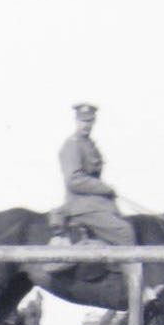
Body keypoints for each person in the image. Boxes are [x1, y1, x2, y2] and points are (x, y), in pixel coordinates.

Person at [58, 102, 134, 247]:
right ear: (76, 120)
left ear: (94, 121)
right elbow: (74, 180)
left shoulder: (89, 144)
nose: (86, 125)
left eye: (89, 120)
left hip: (94, 203)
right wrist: (106, 188)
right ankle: (117, 271)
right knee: (124, 231)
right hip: (81, 205)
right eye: (82, 120)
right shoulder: (72, 144)